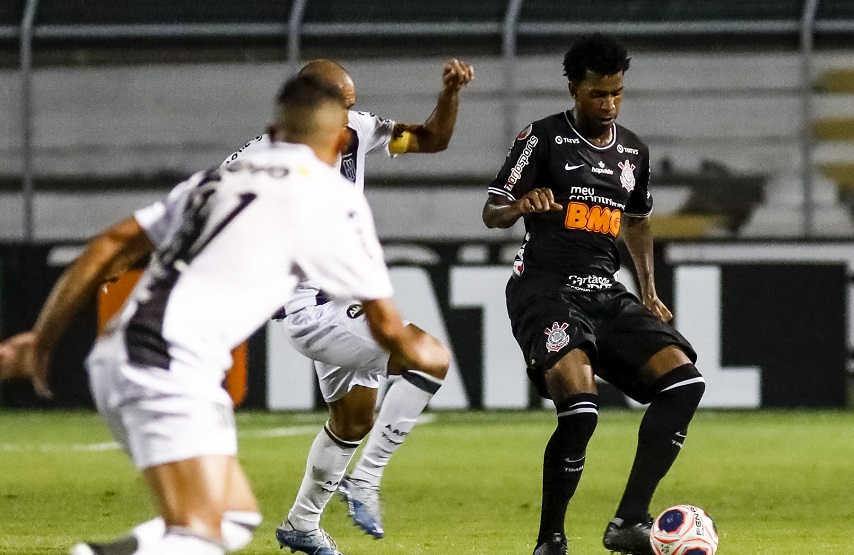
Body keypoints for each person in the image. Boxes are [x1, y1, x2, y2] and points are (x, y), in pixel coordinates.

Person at [0, 74, 450, 555]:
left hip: (132, 352)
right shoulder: (330, 197)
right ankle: (361, 481)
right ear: (341, 140)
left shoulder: (215, 180)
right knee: (200, 535)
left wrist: (41, 340)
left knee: (231, 519)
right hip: (166, 361)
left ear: (275, 132)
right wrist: (424, 359)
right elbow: (384, 325)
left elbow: (109, 245)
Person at [229, 58, 474, 552]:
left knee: (353, 421)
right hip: (312, 309)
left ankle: (301, 525)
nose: (351, 114)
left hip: (345, 302)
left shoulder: (357, 132)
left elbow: (432, 139)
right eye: (342, 105)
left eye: (351, 106)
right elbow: (206, 219)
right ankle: (366, 479)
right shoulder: (257, 161)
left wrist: (450, 94)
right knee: (428, 356)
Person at [482, 34, 705, 555]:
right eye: (597, 94)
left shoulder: (632, 150)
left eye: (616, 94)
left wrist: (648, 288)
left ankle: (630, 520)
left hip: (606, 292)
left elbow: (638, 219)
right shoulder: (540, 139)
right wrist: (521, 206)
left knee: (683, 384)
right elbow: (492, 210)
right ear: (573, 88)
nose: (608, 105)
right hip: (546, 291)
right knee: (581, 411)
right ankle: (551, 541)